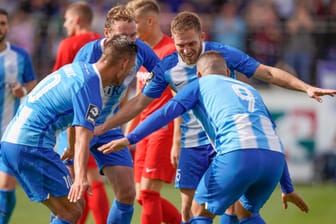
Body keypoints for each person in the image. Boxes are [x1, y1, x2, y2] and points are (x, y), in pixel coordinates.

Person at [94, 11, 336, 224]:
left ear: (202, 37)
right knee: (190, 210)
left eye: (191, 43)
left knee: (226, 209)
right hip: (193, 143)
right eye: (181, 46)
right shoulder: (167, 66)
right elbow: (139, 103)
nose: (187, 51)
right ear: (173, 42)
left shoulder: (220, 55)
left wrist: (305, 87)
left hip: (228, 144)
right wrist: (105, 126)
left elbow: (268, 72)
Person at [0, 35, 137, 224]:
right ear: (123, 64)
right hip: (31, 146)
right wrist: (80, 177)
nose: (130, 74)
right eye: (131, 68)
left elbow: (74, 121)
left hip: (15, 141)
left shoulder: (78, 68)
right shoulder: (91, 88)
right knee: (71, 212)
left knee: (74, 206)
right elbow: (83, 134)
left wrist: (71, 148)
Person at [58, 5, 161, 223]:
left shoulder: (140, 50)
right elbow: (71, 102)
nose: (131, 41)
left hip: (107, 126)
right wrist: (71, 142)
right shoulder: (88, 54)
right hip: (74, 125)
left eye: (134, 35)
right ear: (107, 34)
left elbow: (164, 74)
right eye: (124, 36)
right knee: (70, 200)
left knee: (127, 193)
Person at [52, 2, 109, 224]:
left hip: (74, 117)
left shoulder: (69, 44)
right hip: (99, 113)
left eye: (66, 20)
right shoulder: (101, 42)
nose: (65, 25)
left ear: (76, 20)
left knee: (78, 177)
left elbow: (59, 81)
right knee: (91, 177)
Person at [124, 1, 181, 223]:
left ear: (150, 21)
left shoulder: (170, 52)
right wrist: (129, 134)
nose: (131, 30)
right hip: (144, 130)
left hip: (163, 129)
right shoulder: (143, 53)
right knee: (141, 196)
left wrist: (177, 138)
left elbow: (180, 99)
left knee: (148, 193)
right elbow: (140, 97)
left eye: (134, 23)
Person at [0, 8, 37, 224]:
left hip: (9, 132)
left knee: (5, 186)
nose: (0, 27)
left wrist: (22, 91)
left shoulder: (20, 56)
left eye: (3, 23)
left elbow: (32, 84)